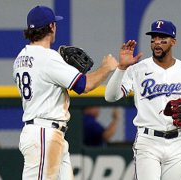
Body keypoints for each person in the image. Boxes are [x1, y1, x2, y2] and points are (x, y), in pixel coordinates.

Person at [13, 5, 118, 180]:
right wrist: (106, 68)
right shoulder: (48, 58)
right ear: (51, 26)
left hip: (47, 133)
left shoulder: (20, 58)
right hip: (44, 134)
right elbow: (84, 86)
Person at [105, 20, 181, 180]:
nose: (157, 42)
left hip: (178, 141)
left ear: (173, 41)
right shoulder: (137, 69)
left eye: (162, 38)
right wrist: (121, 68)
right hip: (148, 140)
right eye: (153, 39)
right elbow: (110, 97)